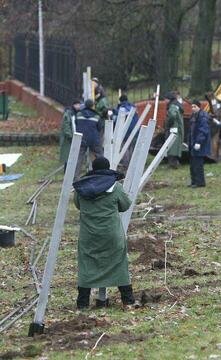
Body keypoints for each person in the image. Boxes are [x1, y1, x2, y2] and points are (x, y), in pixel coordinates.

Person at [73, 157, 135, 309]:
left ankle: (82, 303)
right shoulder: (116, 187)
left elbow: (78, 205)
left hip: (89, 235)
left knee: (87, 265)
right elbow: (125, 205)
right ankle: (128, 300)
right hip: (112, 235)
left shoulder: (81, 188)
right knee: (119, 264)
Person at [74, 99, 104, 181]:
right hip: (94, 139)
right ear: (92, 106)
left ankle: (76, 177)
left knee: (79, 158)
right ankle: (102, 175)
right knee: (99, 156)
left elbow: (76, 123)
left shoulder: (78, 114)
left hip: (81, 139)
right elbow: (100, 127)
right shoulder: (97, 116)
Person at [188, 100, 212, 187]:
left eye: (195, 107)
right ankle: (194, 181)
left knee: (198, 164)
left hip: (199, 144)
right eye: (192, 107)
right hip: (193, 143)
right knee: (192, 164)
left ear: (199, 107)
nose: (193, 108)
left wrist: (199, 142)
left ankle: (200, 182)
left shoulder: (203, 116)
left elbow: (203, 131)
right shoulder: (193, 116)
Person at [113, 94, 139, 171]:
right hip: (134, 130)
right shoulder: (133, 107)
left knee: (124, 147)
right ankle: (132, 163)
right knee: (131, 146)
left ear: (120, 101)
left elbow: (116, 120)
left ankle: (126, 164)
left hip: (124, 131)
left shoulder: (121, 108)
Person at [165, 92, 184, 169]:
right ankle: (175, 163)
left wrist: (169, 123)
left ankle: (172, 164)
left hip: (173, 128)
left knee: (172, 146)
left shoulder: (172, 106)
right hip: (178, 128)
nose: (165, 101)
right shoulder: (177, 105)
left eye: (166, 99)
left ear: (169, 99)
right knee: (175, 146)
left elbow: (172, 115)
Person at [60, 99, 81, 167]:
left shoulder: (75, 113)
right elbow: (66, 126)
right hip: (69, 138)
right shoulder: (69, 114)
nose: (79, 106)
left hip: (73, 137)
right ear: (74, 105)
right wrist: (70, 136)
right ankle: (67, 169)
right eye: (78, 105)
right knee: (67, 155)